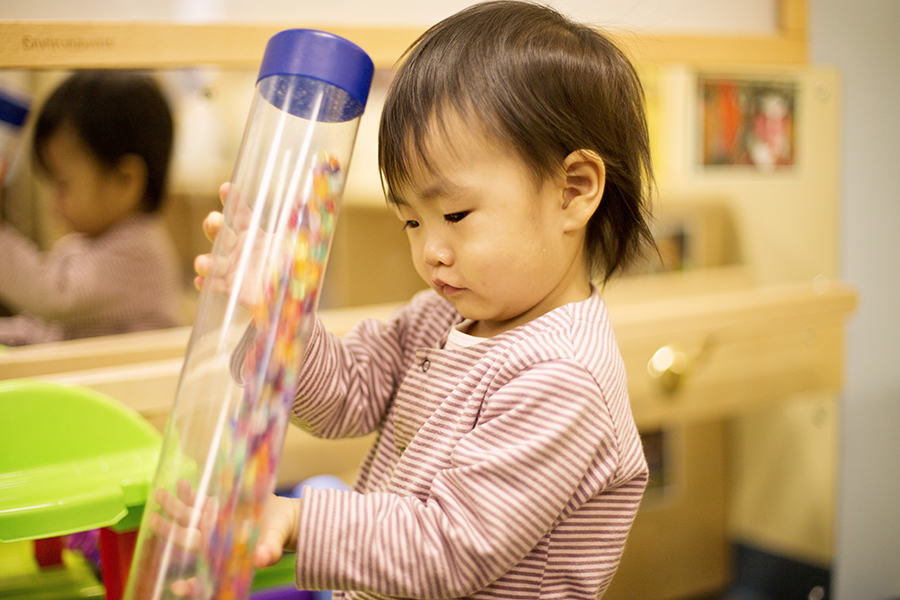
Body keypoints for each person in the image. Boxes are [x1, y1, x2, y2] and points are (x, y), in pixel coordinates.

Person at [160, 2, 655, 598]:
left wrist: (296, 520)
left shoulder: (563, 378)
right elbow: (345, 396)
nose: (431, 253)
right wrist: (278, 314)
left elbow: (448, 545)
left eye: (454, 214)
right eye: (411, 222)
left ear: (573, 191)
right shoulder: (443, 317)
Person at [0, 70, 183, 346]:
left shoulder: (139, 253)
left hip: (136, 386)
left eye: (63, 185)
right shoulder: (83, 246)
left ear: (125, 182)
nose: (53, 202)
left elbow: (53, 296)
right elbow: (46, 327)